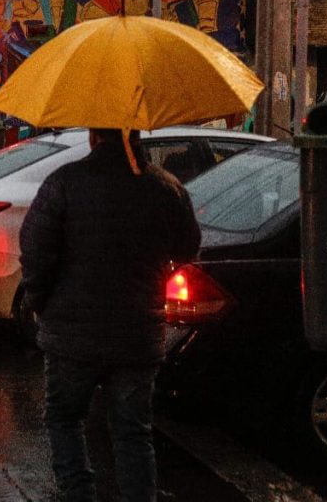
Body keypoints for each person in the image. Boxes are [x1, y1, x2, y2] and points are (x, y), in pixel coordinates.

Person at [19, 128, 201, 502]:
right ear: (135, 136)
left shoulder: (64, 183)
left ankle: (80, 493)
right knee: (133, 432)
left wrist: (39, 302)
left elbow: (35, 253)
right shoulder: (166, 188)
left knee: (64, 419)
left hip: (72, 337)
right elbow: (188, 247)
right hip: (138, 336)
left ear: (92, 137)